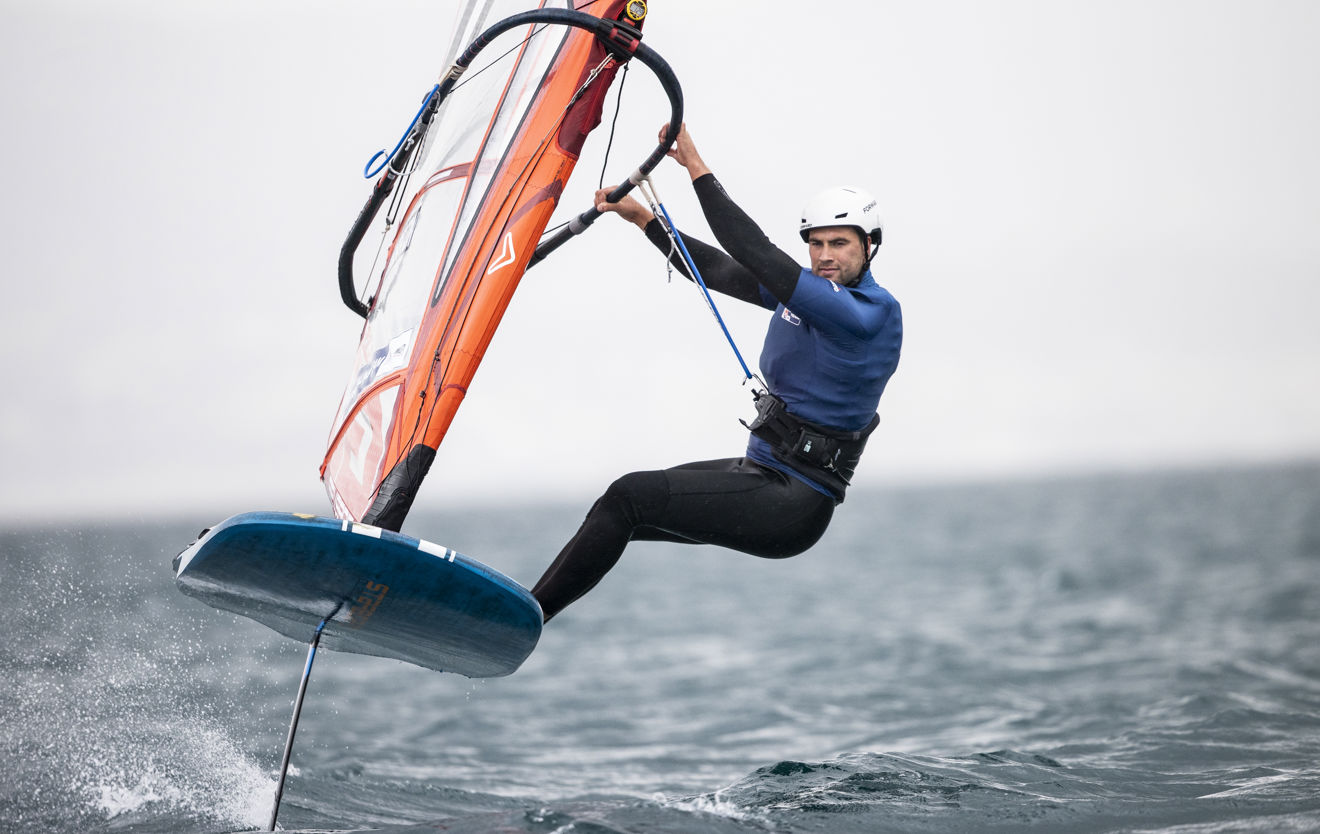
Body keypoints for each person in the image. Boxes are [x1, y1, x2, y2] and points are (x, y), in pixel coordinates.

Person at [531, 124, 902, 622]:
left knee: (630, 495)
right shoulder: (812, 295)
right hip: (760, 472)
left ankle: (528, 616)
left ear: (869, 246)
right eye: (816, 244)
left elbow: (757, 251)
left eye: (839, 243)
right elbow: (722, 270)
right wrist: (643, 219)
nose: (825, 256)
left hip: (792, 503)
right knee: (618, 506)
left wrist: (696, 167)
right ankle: (521, 609)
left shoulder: (869, 313)